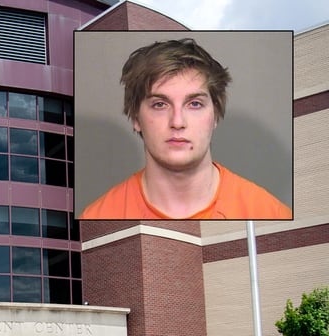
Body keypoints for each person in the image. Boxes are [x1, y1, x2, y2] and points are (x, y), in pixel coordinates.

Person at [80, 38, 292, 220]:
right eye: (159, 104)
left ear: (215, 114)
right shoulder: (96, 215)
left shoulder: (269, 211)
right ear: (136, 118)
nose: (178, 122)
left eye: (195, 104)